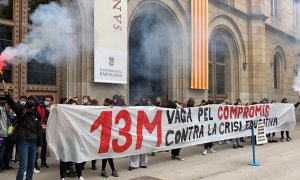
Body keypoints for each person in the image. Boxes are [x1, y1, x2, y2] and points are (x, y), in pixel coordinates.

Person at [2, 82, 43, 180]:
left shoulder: (36, 115)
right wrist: (7, 93)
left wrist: (40, 144)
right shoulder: (22, 111)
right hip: (23, 142)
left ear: (35, 103)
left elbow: (39, 131)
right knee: (23, 167)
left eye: (32, 101)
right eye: (29, 100)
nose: (29, 102)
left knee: (31, 166)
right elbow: (12, 104)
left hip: (33, 143)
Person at [101, 98, 119, 177]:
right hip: (104, 135)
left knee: (108, 154)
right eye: (110, 104)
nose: (112, 106)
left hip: (111, 135)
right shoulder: (102, 111)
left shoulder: (113, 111)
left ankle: (105, 170)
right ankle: (111, 170)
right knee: (107, 154)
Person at [35, 95, 53, 170]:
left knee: (44, 146)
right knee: (37, 146)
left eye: (48, 100)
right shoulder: (40, 107)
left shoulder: (53, 109)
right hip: (39, 130)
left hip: (47, 130)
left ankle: (43, 161)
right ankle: (35, 163)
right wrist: (40, 125)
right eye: (46, 100)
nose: (46, 101)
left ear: (51, 101)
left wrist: (51, 112)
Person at [0, 105, 8, 172]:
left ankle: (2, 166)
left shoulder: (3, 110)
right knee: (1, 152)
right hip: (1, 135)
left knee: (2, 151)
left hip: (4, 134)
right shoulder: (1, 109)